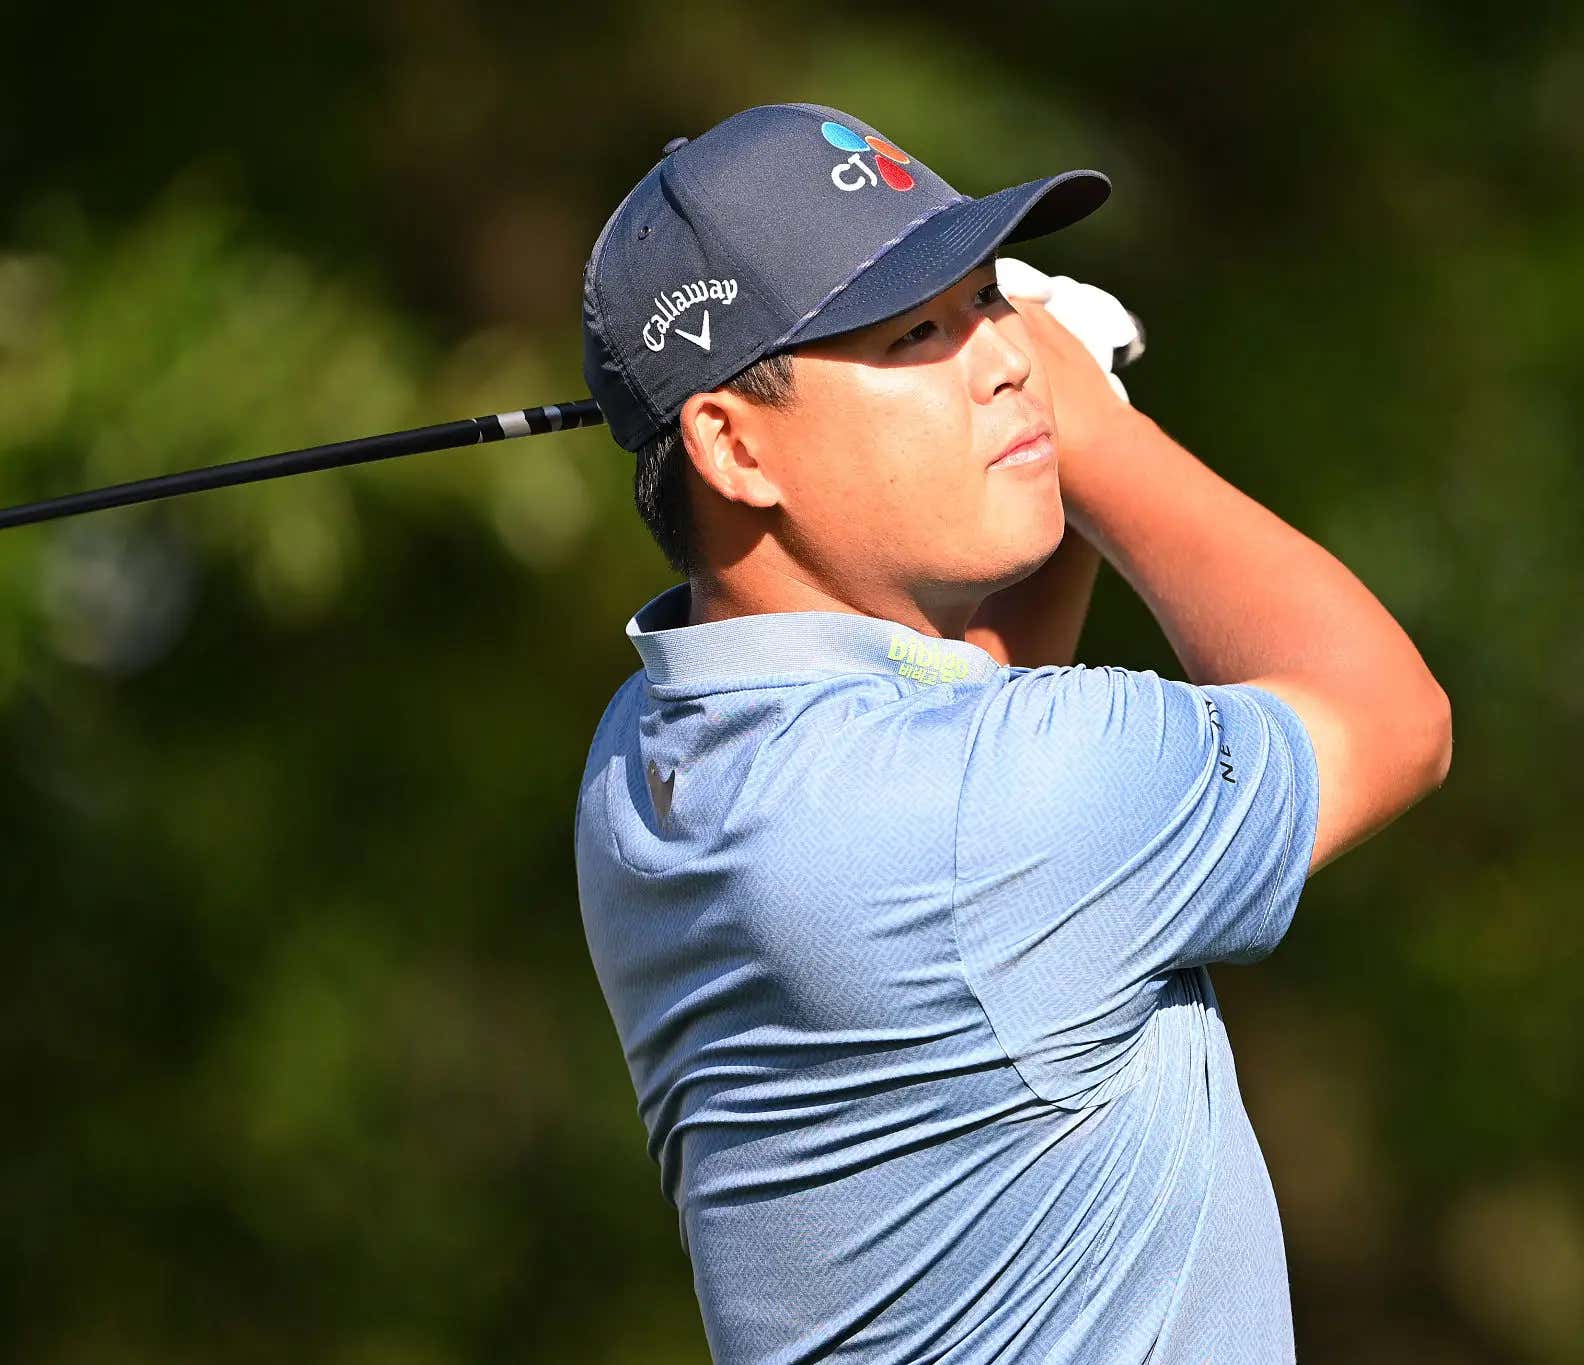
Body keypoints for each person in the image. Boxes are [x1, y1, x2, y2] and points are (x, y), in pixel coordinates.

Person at [571, 102, 1452, 1363]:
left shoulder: (647, 762)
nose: (1001, 357)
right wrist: (1092, 431)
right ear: (728, 441)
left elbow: (969, 759)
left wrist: (1026, 433)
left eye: (989, 300)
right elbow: (1388, 716)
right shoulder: (986, 811)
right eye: (916, 331)